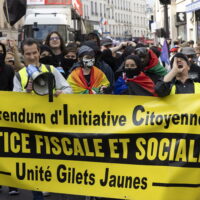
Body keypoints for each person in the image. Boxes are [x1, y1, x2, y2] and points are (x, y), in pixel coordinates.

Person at [13, 38, 72, 200]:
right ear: (23, 55)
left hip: (52, 124)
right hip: (32, 127)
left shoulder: (51, 69)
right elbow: (14, 104)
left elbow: (68, 89)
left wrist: (61, 93)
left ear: (39, 52)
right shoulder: (19, 76)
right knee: (34, 166)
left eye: (34, 52)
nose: (32, 57)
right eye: (27, 54)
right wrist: (26, 93)